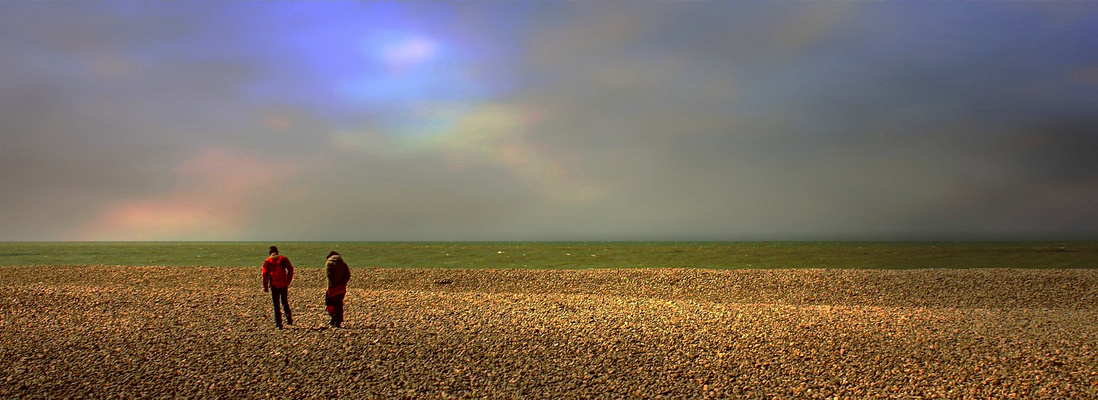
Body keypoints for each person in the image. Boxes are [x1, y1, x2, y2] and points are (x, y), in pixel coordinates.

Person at [262, 246, 294, 329]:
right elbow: (290, 269)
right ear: (277, 251)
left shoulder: (267, 261)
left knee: (276, 304)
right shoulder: (283, 258)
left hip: (274, 285)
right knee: (284, 301)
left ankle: (279, 324)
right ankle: (288, 315)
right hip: (283, 283)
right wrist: (288, 280)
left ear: (270, 253)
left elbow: (264, 274)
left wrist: (265, 287)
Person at [324, 251, 351, 328]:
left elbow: (329, 276)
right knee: (339, 304)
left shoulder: (328, 263)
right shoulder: (343, 263)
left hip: (332, 288)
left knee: (329, 304)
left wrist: (332, 287)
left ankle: (333, 317)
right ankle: (338, 321)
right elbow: (347, 275)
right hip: (341, 288)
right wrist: (342, 284)